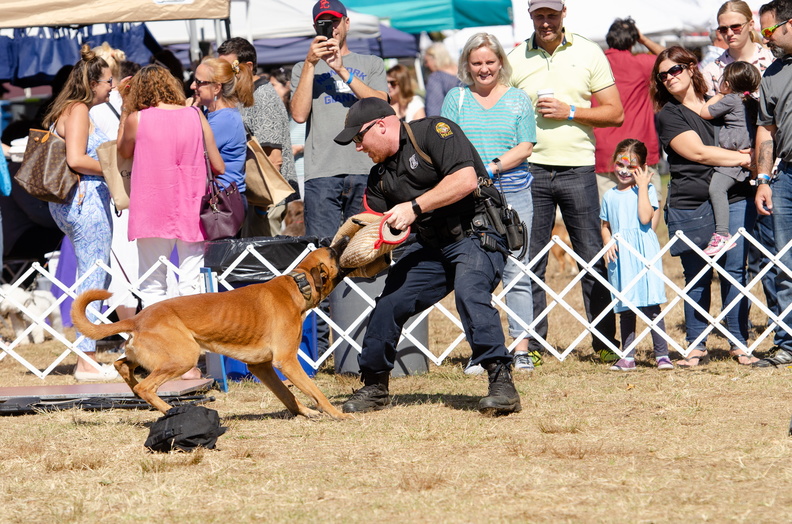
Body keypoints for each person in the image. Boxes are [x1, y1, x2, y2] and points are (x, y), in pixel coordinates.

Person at [335, 98, 521, 416]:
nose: (357, 147)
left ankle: (501, 382)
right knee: (390, 302)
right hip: (431, 246)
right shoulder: (378, 178)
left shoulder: (434, 131)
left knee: (469, 292)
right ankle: (375, 386)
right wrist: (354, 253)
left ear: (380, 126)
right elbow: (378, 228)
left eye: (358, 138)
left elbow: (465, 180)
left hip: (476, 233)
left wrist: (415, 207)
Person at [508, 0, 624, 363]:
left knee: (592, 256)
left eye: (551, 15)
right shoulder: (514, 59)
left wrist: (570, 111)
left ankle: (605, 343)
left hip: (578, 169)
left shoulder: (589, 52)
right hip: (530, 170)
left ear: (564, 14)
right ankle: (534, 345)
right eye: (539, 15)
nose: (545, 22)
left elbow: (615, 113)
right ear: (530, 16)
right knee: (532, 260)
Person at [651, 46, 755, 367]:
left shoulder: (720, 101)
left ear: (691, 67)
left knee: (735, 271)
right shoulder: (667, 115)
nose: (669, 77)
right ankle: (696, 345)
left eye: (675, 70)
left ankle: (739, 343)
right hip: (692, 201)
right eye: (663, 74)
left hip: (733, 194)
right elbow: (699, 154)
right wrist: (745, 159)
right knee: (696, 275)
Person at [440, 33, 536, 373]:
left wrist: (491, 168)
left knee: (517, 271)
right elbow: (444, 142)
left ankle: (522, 348)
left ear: (501, 63)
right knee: (471, 275)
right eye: (477, 63)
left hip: (513, 192)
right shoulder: (457, 98)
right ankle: (482, 350)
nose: (484, 69)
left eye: (490, 62)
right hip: (467, 195)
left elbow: (526, 146)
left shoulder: (518, 100)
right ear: (467, 64)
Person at [118, 65, 224, 309]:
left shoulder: (138, 118)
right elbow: (218, 165)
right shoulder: (194, 115)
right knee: (193, 281)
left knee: (152, 283)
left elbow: (123, 151)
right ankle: (196, 342)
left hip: (151, 207)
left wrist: (125, 108)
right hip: (192, 204)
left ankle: (158, 343)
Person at [44, 45, 117, 381]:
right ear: (92, 84)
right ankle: (86, 359)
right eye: (107, 81)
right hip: (84, 200)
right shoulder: (78, 111)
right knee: (92, 277)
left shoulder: (70, 109)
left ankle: (86, 354)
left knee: (92, 275)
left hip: (74, 200)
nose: (111, 86)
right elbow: (76, 159)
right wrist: (112, 168)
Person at [290, 0, 387, 240]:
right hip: (322, 172)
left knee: (365, 251)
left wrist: (342, 70)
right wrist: (311, 63)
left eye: (334, 21)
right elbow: (299, 115)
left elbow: (381, 106)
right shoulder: (303, 67)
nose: (331, 28)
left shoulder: (371, 63)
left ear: (346, 23)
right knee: (323, 254)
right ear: (315, 27)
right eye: (323, 23)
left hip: (367, 167)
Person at [600, 139, 672, 371]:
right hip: (620, 256)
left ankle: (662, 354)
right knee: (626, 306)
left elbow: (645, 219)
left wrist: (642, 187)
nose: (624, 170)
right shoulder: (609, 196)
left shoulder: (647, 190)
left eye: (631, 166)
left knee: (650, 304)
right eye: (620, 164)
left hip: (642, 252)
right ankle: (628, 356)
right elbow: (605, 225)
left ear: (642, 168)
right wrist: (607, 242)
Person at [217, 39, 298, 237]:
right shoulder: (244, 95)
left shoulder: (263, 96)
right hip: (253, 197)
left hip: (266, 199)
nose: (224, 74)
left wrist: (262, 207)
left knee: (264, 261)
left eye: (229, 68)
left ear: (248, 66)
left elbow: (274, 158)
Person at [593, 17, 665, 230]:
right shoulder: (643, 63)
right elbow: (671, 58)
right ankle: (645, 251)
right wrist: (643, 39)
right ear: (634, 39)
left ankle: (614, 257)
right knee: (649, 206)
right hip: (640, 149)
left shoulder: (596, 62)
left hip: (605, 151)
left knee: (608, 214)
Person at [753, 0, 792, 367]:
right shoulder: (772, 74)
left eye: (769, 31)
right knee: (784, 262)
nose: (765, 40)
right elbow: (766, 129)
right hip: (786, 176)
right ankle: (787, 344)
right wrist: (763, 178)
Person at [699, 61, 761, 256]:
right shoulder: (750, 101)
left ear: (729, 82)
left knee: (716, 189)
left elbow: (704, 112)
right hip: (746, 156)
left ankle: (722, 234)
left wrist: (719, 93)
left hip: (734, 158)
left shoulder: (730, 99)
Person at [190, 57, 249, 210]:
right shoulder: (214, 115)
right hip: (222, 198)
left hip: (224, 201)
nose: (192, 86)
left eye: (199, 82)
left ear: (216, 88)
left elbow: (193, 155)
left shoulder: (224, 120)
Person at [701, 1, 775, 98]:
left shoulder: (773, 60)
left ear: (751, 25)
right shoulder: (711, 71)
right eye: (723, 29)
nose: (729, 33)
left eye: (736, 27)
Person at [423, 43, 463, 116]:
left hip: (447, 124)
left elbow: (434, 110)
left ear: (434, 59)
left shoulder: (436, 78)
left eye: (426, 61)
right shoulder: (463, 72)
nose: (426, 65)